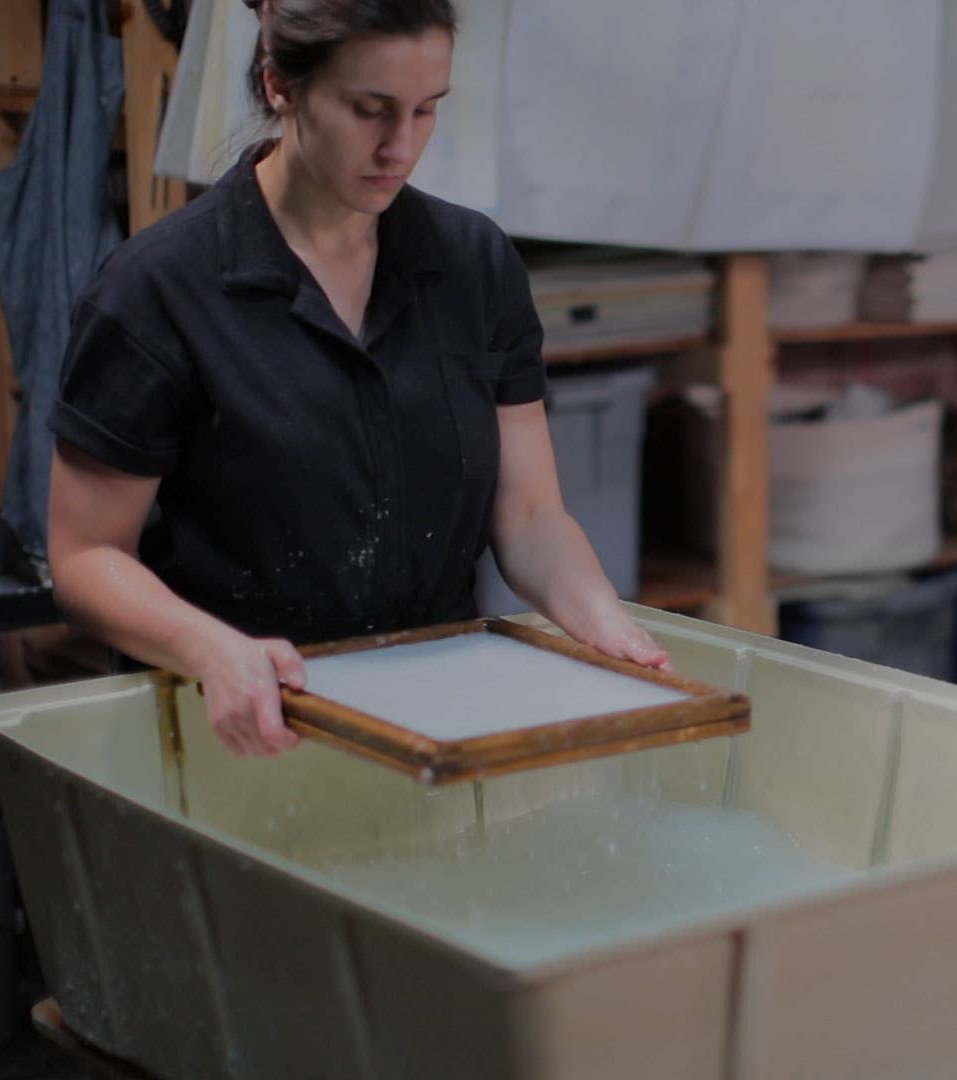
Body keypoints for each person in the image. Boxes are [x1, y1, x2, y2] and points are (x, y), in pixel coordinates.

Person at [47, 0, 669, 760]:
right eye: (369, 110)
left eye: (426, 110)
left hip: (439, 724)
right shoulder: (158, 288)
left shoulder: (473, 264)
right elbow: (85, 559)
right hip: (249, 730)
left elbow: (532, 516)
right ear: (279, 85)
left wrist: (603, 618)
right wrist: (211, 649)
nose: (400, 147)